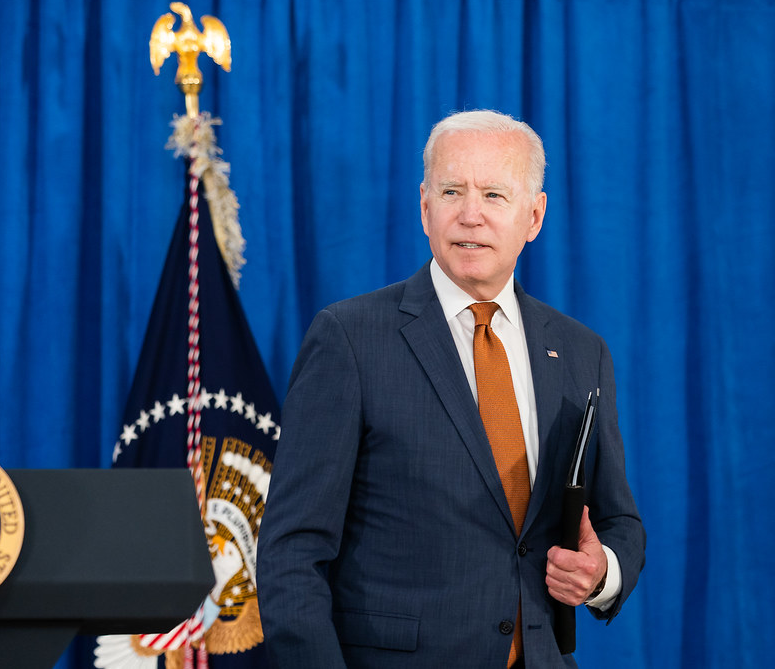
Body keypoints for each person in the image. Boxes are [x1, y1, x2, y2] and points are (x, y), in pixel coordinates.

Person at [257, 109, 645, 669]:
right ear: (425, 206)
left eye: (494, 195)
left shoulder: (582, 351)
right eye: (452, 191)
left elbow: (619, 521)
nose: (470, 215)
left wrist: (602, 572)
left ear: (534, 216)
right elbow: (292, 551)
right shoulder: (350, 339)